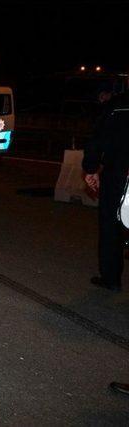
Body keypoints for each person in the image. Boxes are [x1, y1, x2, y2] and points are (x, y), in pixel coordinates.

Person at [82, 89, 129, 293]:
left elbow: (97, 138)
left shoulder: (118, 106)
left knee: (111, 224)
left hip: (118, 174)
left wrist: (91, 169)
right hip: (119, 173)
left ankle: (111, 278)